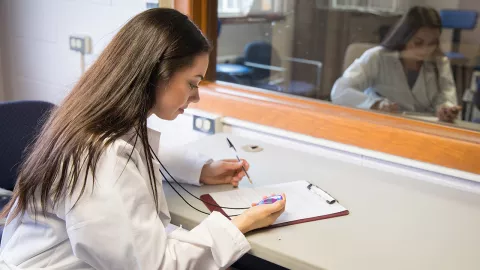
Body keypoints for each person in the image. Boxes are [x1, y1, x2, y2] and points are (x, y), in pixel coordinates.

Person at [0, 8, 286, 270]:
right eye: (192, 83)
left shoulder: (99, 119)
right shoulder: (101, 155)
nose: (196, 97)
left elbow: (134, 159)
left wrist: (200, 170)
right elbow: (154, 265)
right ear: (156, 74)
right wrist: (240, 224)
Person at [331, 6, 460, 123]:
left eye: (432, 43)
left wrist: (445, 110)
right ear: (404, 37)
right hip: (383, 124)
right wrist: (375, 104)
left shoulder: (439, 62)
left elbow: (447, 99)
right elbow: (340, 91)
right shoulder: (378, 57)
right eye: (418, 43)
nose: (426, 50)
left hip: (425, 128)